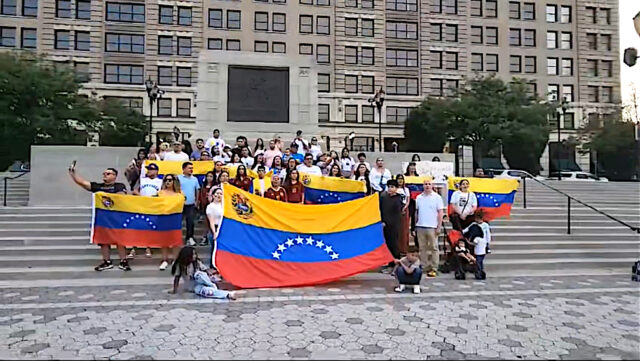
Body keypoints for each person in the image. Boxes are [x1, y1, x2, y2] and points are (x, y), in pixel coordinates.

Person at [68, 164, 130, 271]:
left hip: (117, 217)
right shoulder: (98, 186)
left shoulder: (119, 186)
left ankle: (123, 261)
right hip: (103, 218)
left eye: (108, 173)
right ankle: (107, 261)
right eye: (104, 173)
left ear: (114, 176)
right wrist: (73, 174)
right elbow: (82, 183)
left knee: (120, 240)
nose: (105, 175)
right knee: (103, 240)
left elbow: (121, 197)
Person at [170, 246, 236, 299]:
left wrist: (212, 273)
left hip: (202, 280)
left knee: (199, 274)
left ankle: (212, 285)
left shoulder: (197, 262)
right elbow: (177, 278)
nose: (195, 256)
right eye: (193, 254)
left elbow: (205, 270)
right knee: (207, 292)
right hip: (194, 286)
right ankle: (227, 295)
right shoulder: (180, 265)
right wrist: (174, 290)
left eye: (195, 254)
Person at [129, 162, 163, 260]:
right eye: (148, 169)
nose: (149, 171)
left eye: (151, 169)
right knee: (138, 226)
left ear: (156, 171)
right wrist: (140, 196)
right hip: (141, 205)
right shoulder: (142, 180)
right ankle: (133, 248)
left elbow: (163, 193)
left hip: (153, 206)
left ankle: (148, 247)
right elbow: (134, 190)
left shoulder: (160, 181)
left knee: (149, 226)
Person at [414, 180, 445, 278]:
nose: (427, 186)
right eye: (425, 184)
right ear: (423, 186)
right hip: (421, 225)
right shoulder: (419, 198)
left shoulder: (437, 197)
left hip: (432, 226)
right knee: (422, 248)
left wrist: (439, 226)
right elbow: (417, 212)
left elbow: (440, 213)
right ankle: (424, 266)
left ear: (432, 186)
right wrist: (415, 224)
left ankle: (434, 267)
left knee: (434, 248)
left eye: (429, 184)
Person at [157, 174, 182, 270]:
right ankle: (164, 259)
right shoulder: (160, 193)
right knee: (164, 240)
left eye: (170, 180)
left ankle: (175, 260)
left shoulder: (180, 194)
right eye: (166, 180)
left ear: (174, 181)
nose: (168, 182)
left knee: (176, 240)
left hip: (175, 218)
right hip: (163, 218)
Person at [379, 179, 404, 272]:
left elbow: (396, 214)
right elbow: (381, 209)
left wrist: (388, 222)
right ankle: (388, 262)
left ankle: (395, 263)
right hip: (383, 224)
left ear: (396, 188)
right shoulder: (383, 197)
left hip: (394, 225)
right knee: (387, 244)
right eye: (389, 187)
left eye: (392, 187)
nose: (390, 189)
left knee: (394, 244)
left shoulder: (398, 198)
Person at [463, 210, 490, 279]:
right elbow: (466, 229)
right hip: (476, 243)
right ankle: (479, 271)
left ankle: (480, 271)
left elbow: (488, 235)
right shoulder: (473, 224)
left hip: (482, 243)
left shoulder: (485, 225)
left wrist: (488, 243)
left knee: (479, 260)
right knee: (478, 260)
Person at [178, 162, 200, 246]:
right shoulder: (178, 178)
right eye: (189, 168)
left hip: (190, 204)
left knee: (190, 221)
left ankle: (189, 238)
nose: (191, 169)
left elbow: (197, 190)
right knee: (177, 222)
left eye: (192, 168)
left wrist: (197, 201)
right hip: (179, 204)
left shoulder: (195, 179)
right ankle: (177, 238)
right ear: (183, 169)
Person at [206, 187, 224, 268]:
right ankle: (213, 267)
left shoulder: (224, 206)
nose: (218, 195)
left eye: (220, 194)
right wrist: (214, 232)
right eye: (217, 193)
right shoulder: (210, 206)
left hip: (223, 229)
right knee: (214, 249)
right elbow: (211, 221)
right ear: (213, 195)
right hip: (215, 228)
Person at [198, 171, 217, 245]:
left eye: (211, 176)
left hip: (213, 207)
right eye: (208, 176)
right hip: (204, 206)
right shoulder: (203, 186)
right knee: (206, 223)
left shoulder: (215, 187)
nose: (209, 178)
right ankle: (205, 237)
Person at [395, 174, 411, 255]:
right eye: (398, 179)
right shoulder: (395, 189)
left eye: (401, 179)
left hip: (404, 209)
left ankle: (404, 249)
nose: (400, 181)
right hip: (395, 209)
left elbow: (408, 200)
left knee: (404, 229)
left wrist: (404, 208)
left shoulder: (406, 189)